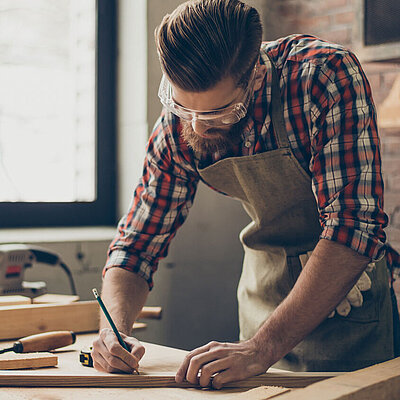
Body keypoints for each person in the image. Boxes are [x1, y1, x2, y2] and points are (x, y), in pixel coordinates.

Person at [92, 0, 400, 389]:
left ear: (255, 75)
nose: (198, 127)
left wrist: (260, 348)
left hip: (347, 305)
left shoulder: (323, 77)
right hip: (262, 306)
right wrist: (113, 331)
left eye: (218, 114)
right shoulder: (179, 124)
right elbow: (136, 246)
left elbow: (354, 228)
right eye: (183, 108)